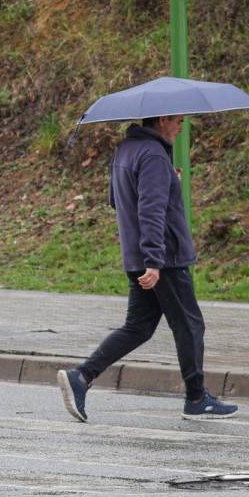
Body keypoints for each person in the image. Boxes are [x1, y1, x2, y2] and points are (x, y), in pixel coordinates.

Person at [57, 114, 238, 422]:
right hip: (164, 260)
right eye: (178, 122)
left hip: (136, 255)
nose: (181, 128)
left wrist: (167, 181)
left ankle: (81, 377)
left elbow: (117, 199)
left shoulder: (125, 149)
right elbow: (151, 210)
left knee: (138, 328)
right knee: (190, 325)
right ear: (163, 120)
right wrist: (155, 260)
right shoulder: (153, 155)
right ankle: (197, 399)